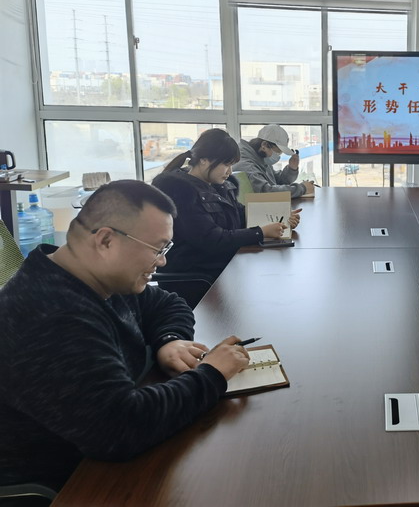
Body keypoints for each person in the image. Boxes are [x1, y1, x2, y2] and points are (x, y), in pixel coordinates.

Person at [0, 180, 251, 494]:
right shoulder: (48, 314)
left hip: (107, 456)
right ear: (106, 241)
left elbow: (168, 304)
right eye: (158, 248)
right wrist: (212, 374)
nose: (162, 261)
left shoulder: (97, 278)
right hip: (70, 483)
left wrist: (170, 340)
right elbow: (121, 429)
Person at [152, 128, 300, 282]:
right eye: (226, 164)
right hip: (199, 277)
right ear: (204, 160)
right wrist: (261, 233)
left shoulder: (219, 185)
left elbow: (241, 214)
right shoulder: (181, 192)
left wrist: (281, 217)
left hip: (225, 266)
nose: (230, 172)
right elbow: (212, 240)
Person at [234, 124, 314, 198]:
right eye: (277, 152)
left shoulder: (260, 159)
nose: (278, 156)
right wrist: (302, 188)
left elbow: (277, 181)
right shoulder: (247, 166)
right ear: (264, 145)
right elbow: (267, 193)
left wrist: (291, 169)